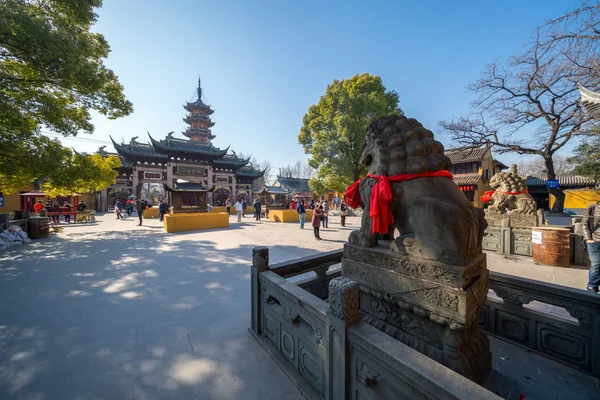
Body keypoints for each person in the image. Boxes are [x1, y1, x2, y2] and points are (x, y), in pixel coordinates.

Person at [583, 201, 600, 293]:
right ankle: (592, 286)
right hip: (594, 241)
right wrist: (588, 239)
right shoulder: (592, 208)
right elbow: (584, 224)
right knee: (596, 264)